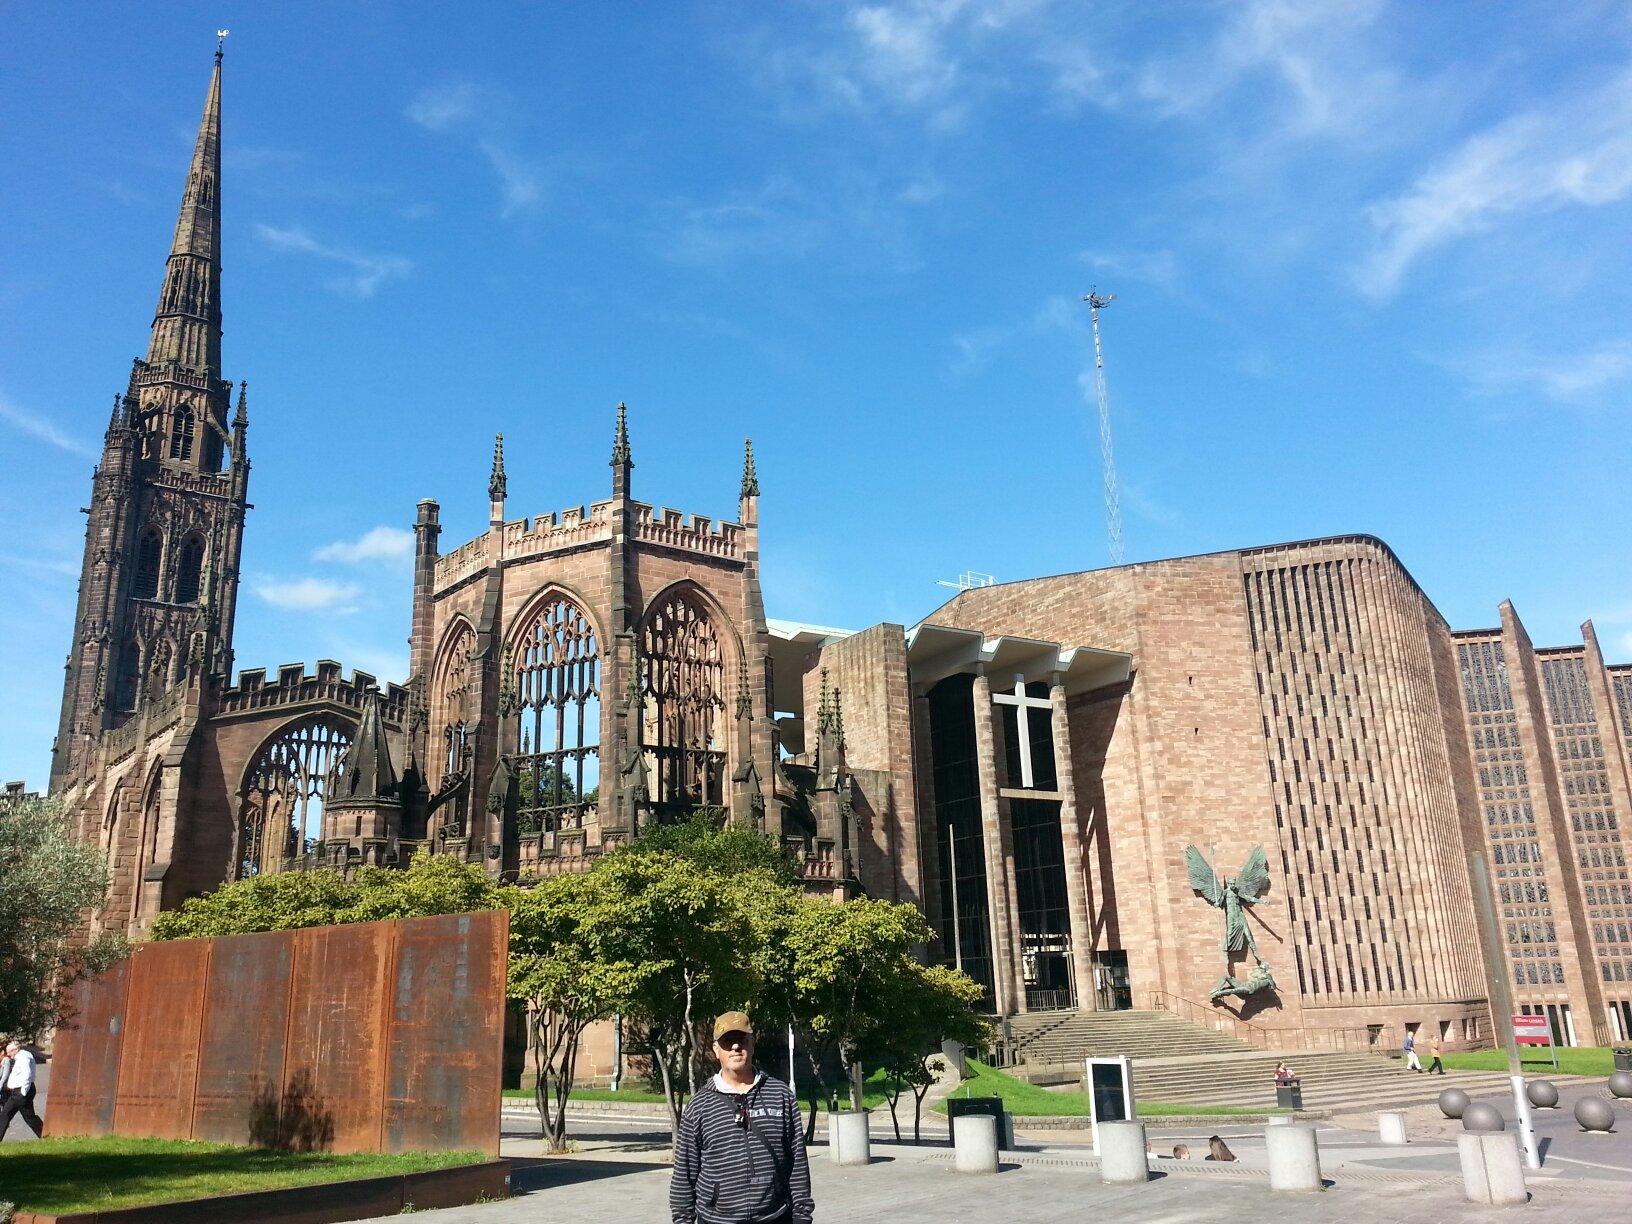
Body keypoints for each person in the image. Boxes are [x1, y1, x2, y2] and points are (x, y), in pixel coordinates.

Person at [671, 1011, 813, 1224]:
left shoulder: (780, 1095)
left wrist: (802, 1217)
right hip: (716, 1220)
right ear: (716, 1050)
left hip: (775, 1217)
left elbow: (798, 1165)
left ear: (752, 1044)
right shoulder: (699, 1105)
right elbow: (684, 1174)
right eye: (728, 1041)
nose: (736, 1047)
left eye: (742, 1040)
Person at [1, 1040, 44, 1140]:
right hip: (19, 1092)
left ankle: (45, 1134)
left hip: (20, 1092)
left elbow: (27, 1074)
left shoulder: (23, 1057)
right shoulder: (20, 1056)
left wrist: (23, 1091)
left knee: (28, 1117)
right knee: (7, 1115)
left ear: (14, 1050)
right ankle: (44, 1134)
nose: (8, 1055)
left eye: (9, 1052)